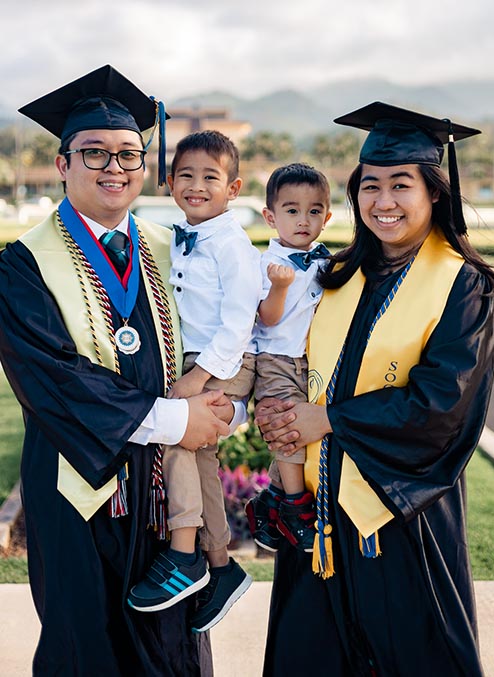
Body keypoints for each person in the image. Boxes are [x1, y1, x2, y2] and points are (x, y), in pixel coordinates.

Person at [0, 65, 239, 677]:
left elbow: (223, 333)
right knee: (89, 645)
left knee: (171, 650)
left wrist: (224, 407)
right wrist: (175, 421)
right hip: (79, 492)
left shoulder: (174, 245)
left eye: (129, 153)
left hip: (165, 494)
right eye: (95, 153)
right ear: (62, 164)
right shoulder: (23, 265)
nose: (115, 167)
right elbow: (53, 381)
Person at [255, 102, 494, 677]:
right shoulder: (334, 274)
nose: (383, 202)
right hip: (315, 519)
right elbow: (288, 357)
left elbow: (443, 405)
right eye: (370, 186)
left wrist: (330, 420)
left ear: (435, 192)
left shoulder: (464, 287)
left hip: (401, 517)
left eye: (400, 185)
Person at [128, 130, 260, 632]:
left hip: (220, 361)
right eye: (186, 175)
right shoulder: (177, 236)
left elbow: (241, 320)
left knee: (181, 441)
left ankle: (184, 556)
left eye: (211, 177)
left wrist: (200, 376)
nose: (197, 185)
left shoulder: (232, 243)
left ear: (233, 187)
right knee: (201, 460)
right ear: (168, 182)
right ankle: (221, 565)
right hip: (197, 360)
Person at [245, 163, 332, 553]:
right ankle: (296, 509)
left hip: (311, 362)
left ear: (327, 217)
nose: (304, 220)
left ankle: (270, 501)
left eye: (314, 211)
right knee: (289, 427)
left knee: (304, 431)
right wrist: (280, 286)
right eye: (292, 210)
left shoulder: (327, 262)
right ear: (270, 216)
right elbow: (268, 316)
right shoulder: (266, 265)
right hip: (276, 360)